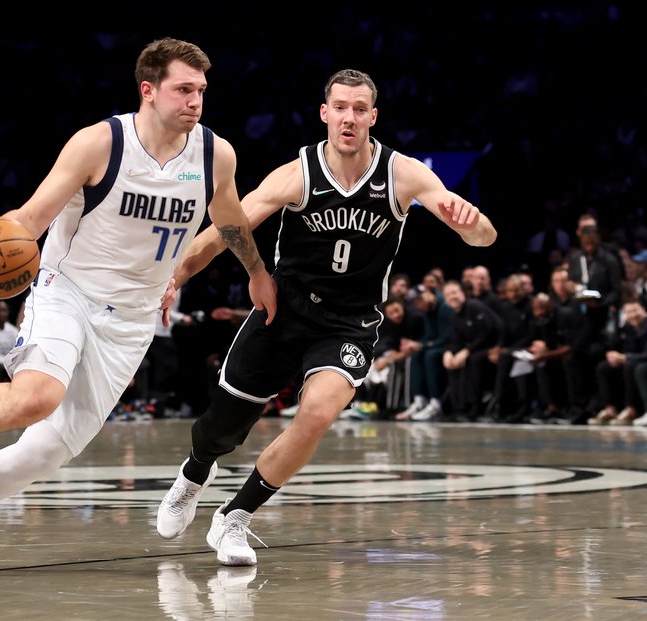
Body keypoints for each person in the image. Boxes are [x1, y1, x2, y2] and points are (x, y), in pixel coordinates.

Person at [0, 38, 276, 577]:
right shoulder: (99, 143)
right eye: (183, 89)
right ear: (148, 91)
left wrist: (256, 273)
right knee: (37, 396)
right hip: (68, 291)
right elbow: (33, 217)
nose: (195, 101)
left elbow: (228, 219)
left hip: (132, 319)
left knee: (44, 453)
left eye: (201, 90)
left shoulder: (213, 154)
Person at [156, 68, 496, 566]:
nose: (349, 118)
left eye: (360, 109)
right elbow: (230, 226)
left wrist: (473, 226)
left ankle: (234, 517)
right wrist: (175, 277)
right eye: (340, 107)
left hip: (350, 322)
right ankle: (193, 473)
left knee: (316, 414)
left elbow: (483, 236)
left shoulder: (404, 175)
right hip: (284, 309)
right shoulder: (298, 173)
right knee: (222, 428)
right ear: (325, 113)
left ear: (373, 117)